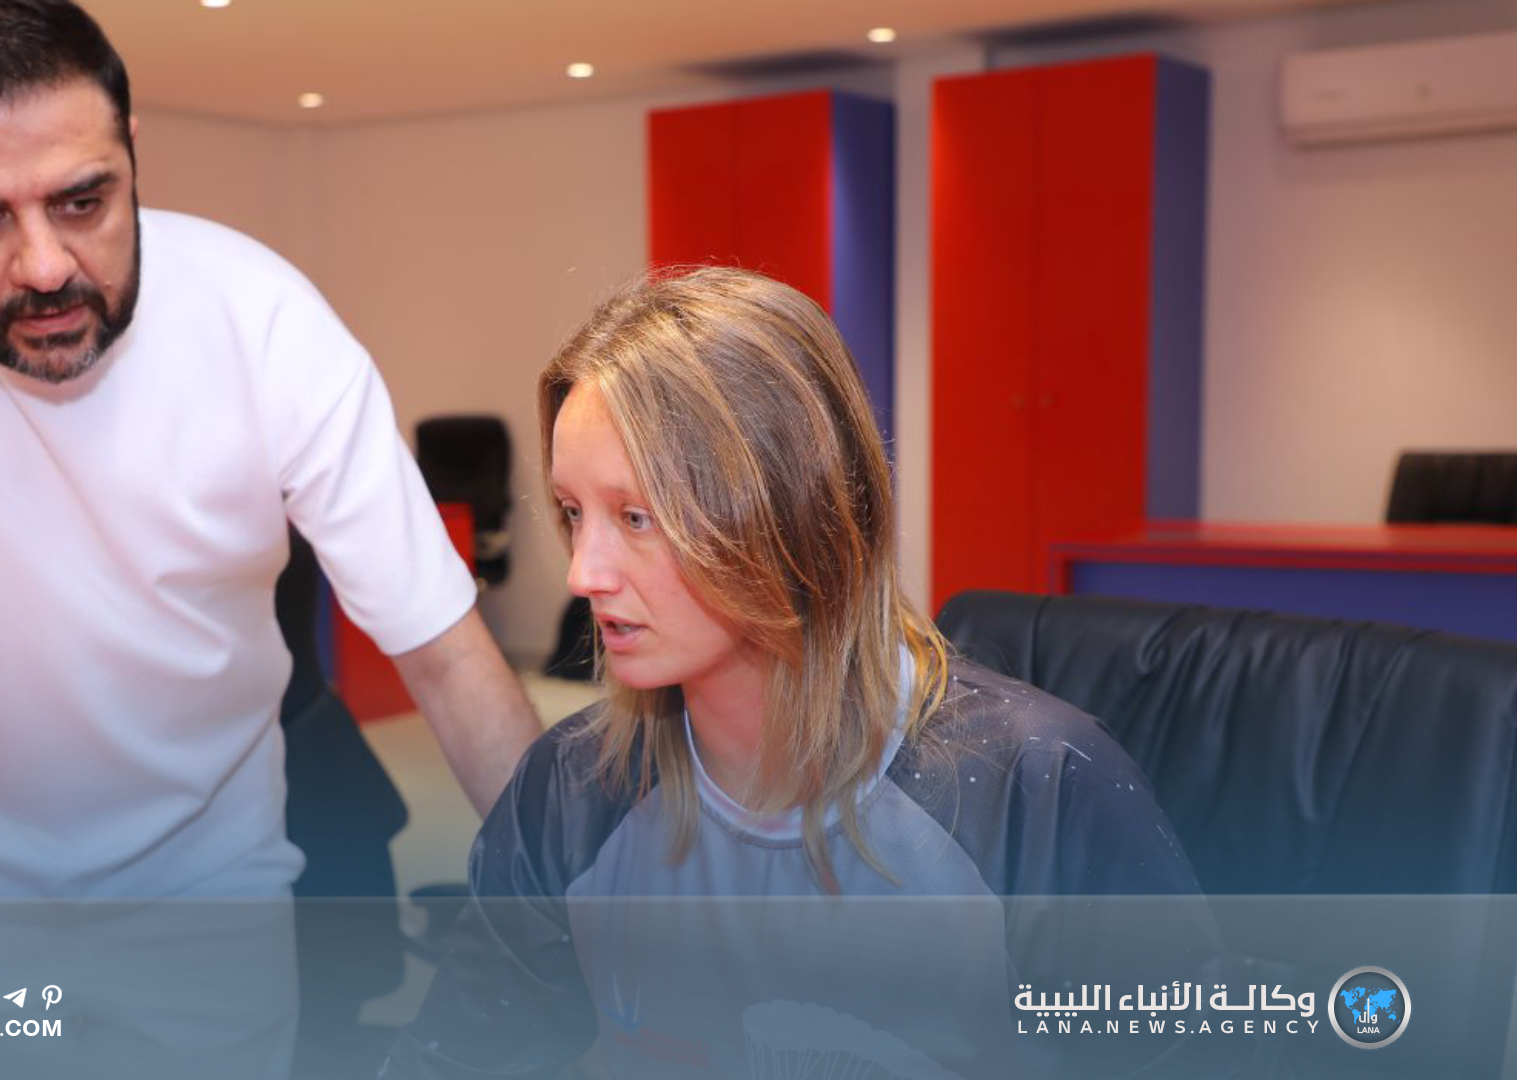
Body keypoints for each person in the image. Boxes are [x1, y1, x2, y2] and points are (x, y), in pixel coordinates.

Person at [0, 0, 541, 901]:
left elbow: (445, 656)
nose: (46, 266)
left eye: (82, 201)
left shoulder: (262, 320)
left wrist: (583, 915)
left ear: (131, 153)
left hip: (212, 893)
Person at [383, 268, 1223, 1079]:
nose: (582, 574)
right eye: (574, 512)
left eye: (636, 517)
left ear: (787, 513)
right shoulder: (571, 791)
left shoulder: (1036, 789)